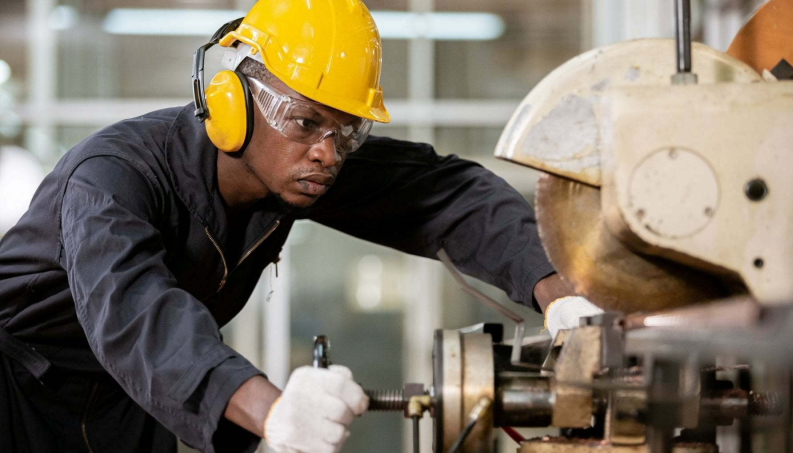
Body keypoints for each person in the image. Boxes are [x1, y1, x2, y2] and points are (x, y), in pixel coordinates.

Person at [0, 1, 597, 452]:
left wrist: (558, 294)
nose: (328, 154)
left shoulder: (294, 167)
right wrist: (272, 411)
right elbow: (137, 317)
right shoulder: (111, 177)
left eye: (346, 132)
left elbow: (448, 195)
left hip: (125, 404)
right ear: (233, 100)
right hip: (14, 392)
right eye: (307, 121)